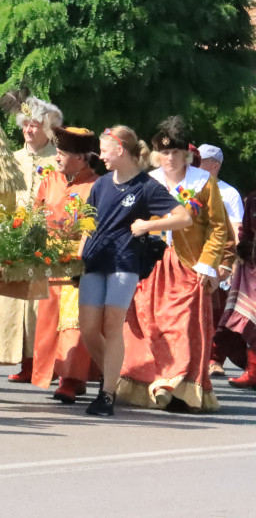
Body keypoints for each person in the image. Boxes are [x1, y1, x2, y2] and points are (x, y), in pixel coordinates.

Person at [77, 125, 191, 417]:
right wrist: (78, 253)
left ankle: (107, 394)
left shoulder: (146, 186)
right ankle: (113, 377)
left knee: (112, 325)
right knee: (89, 328)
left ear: (120, 150)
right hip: (95, 262)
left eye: (104, 151)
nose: (100, 157)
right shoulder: (101, 185)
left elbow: (183, 217)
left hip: (124, 264)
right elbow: (88, 223)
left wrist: (148, 225)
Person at [116, 117, 229, 414]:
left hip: (189, 265)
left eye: (175, 152)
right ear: (156, 155)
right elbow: (131, 222)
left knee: (182, 326)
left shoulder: (204, 182)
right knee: (150, 325)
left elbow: (219, 228)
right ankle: (153, 384)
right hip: (151, 264)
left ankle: (178, 386)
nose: (170, 158)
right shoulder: (148, 181)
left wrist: (208, 265)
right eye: (164, 153)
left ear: (186, 155)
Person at [0, 97, 62, 382]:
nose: (29, 131)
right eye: (26, 125)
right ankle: (22, 361)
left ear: (49, 129)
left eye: (35, 125)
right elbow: (0, 200)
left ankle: (43, 362)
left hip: (46, 239)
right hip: (13, 236)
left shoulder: (58, 159)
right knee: (13, 300)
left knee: (39, 304)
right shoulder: (12, 159)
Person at [29, 127, 100, 404]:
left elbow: (93, 227)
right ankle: (57, 373)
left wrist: (80, 257)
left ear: (82, 158)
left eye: (62, 153)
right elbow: (36, 216)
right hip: (49, 260)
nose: (56, 158)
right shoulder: (49, 181)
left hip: (79, 262)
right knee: (48, 321)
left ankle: (72, 378)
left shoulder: (96, 185)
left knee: (74, 321)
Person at [197, 143, 243, 377]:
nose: (196, 162)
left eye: (202, 160)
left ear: (215, 165)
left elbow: (237, 229)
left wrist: (234, 261)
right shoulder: (190, 187)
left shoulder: (229, 193)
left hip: (218, 259)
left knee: (217, 313)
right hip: (194, 256)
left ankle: (215, 359)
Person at [215, 187, 256, 388]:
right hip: (253, 266)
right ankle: (253, 372)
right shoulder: (253, 199)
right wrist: (243, 250)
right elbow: (245, 230)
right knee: (250, 322)